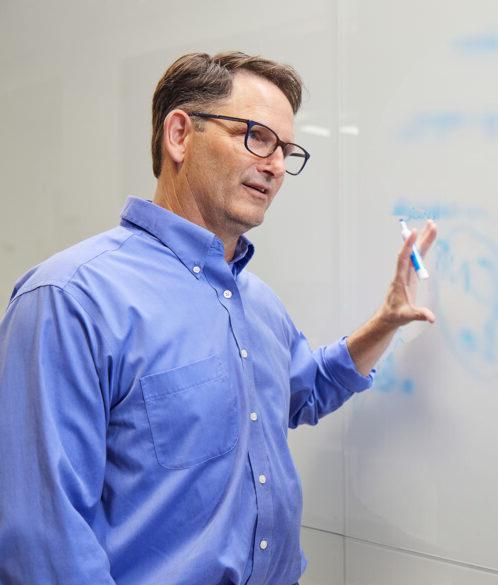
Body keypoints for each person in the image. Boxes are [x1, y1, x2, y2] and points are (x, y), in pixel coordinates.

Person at [0, 52, 436, 585]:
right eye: (256, 136)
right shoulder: (70, 299)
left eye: (286, 149)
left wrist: (387, 320)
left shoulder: (257, 302)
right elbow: (46, 546)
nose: (276, 165)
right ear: (180, 135)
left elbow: (305, 390)